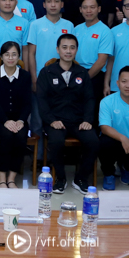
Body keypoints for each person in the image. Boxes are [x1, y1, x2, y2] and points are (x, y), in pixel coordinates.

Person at [38, 34, 99, 193]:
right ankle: (60, 178)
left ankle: (81, 179)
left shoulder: (82, 73)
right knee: (56, 141)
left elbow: (89, 99)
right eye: (64, 47)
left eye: (72, 48)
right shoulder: (46, 72)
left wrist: (88, 120)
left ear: (76, 50)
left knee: (93, 141)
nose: (68, 51)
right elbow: (41, 100)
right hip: (55, 121)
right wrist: (51, 120)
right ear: (58, 50)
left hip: (79, 121)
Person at [26, 0, 74, 145]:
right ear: (44, 4)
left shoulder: (69, 25)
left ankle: (55, 155)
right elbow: (31, 53)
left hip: (63, 80)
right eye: (49, 1)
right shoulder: (35, 24)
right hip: (41, 79)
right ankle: (38, 155)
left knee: (60, 120)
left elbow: (72, 53)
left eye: (56, 1)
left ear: (62, 4)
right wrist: (34, 78)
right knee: (37, 120)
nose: (53, 5)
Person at [0, 41, 32, 189]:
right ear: (1, 57)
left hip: (19, 119)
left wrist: (21, 120)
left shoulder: (25, 76)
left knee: (20, 136)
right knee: (7, 136)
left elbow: (28, 102)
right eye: (7, 54)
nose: (10, 58)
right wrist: (5, 121)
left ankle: (12, 178)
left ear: (19, 57)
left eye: (14, 54)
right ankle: (1, 177)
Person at [73, 0, 113, 101]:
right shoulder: (76, 29)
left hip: (94, 75)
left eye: (92, 7)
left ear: (99, 9)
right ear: (80, 9)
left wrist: (84, 79)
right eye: (85, 7)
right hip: (75, 73)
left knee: (91, 108)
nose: (88, 11)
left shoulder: (105, 31)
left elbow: (101, 61)